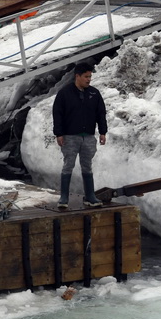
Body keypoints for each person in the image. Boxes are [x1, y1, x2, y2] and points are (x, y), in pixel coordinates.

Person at [52, 61, 108, 211]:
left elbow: (101, 113)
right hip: (70, 136)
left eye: (90, 76)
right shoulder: (64, 93)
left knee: (87, 166)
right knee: (68, 165)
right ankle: (64, 197)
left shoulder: (94, 93)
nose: (89, 79)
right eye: (86, 77)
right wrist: (59, 133)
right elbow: (57, 114)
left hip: (88, 137)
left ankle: (90, 196)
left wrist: (103, 132)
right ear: (77, 76)